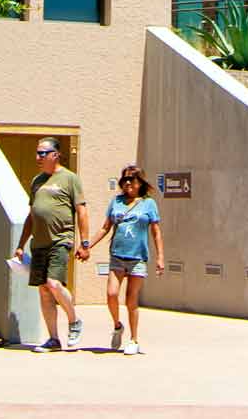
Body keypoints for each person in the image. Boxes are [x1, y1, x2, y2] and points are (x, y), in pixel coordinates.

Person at [12, 137, 88, 352]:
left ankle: (74, 321)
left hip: (60, 240)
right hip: (39, 244)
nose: (38, 157)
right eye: (37, 153)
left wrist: (85, 242)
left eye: (43, 153)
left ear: (56, 155)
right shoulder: (37, 181)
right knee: (44, 290)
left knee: (53, 283)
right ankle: (53, 339)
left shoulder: (69, 179)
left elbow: (81, 211)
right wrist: (21, 244)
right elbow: (32, 215)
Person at [91, 163, 164, 354]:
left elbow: (156, 232)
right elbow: (105, 227)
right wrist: (87, 246)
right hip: (117, 255)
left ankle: (134, 339)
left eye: (132, 179)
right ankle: (117, 326)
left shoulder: (149, 204)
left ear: (140, 182)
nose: (128, 183)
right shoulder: (116, 202)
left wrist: (160, 258)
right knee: (112, 294)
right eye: (124, 179)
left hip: (137, 257)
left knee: (131, 299)